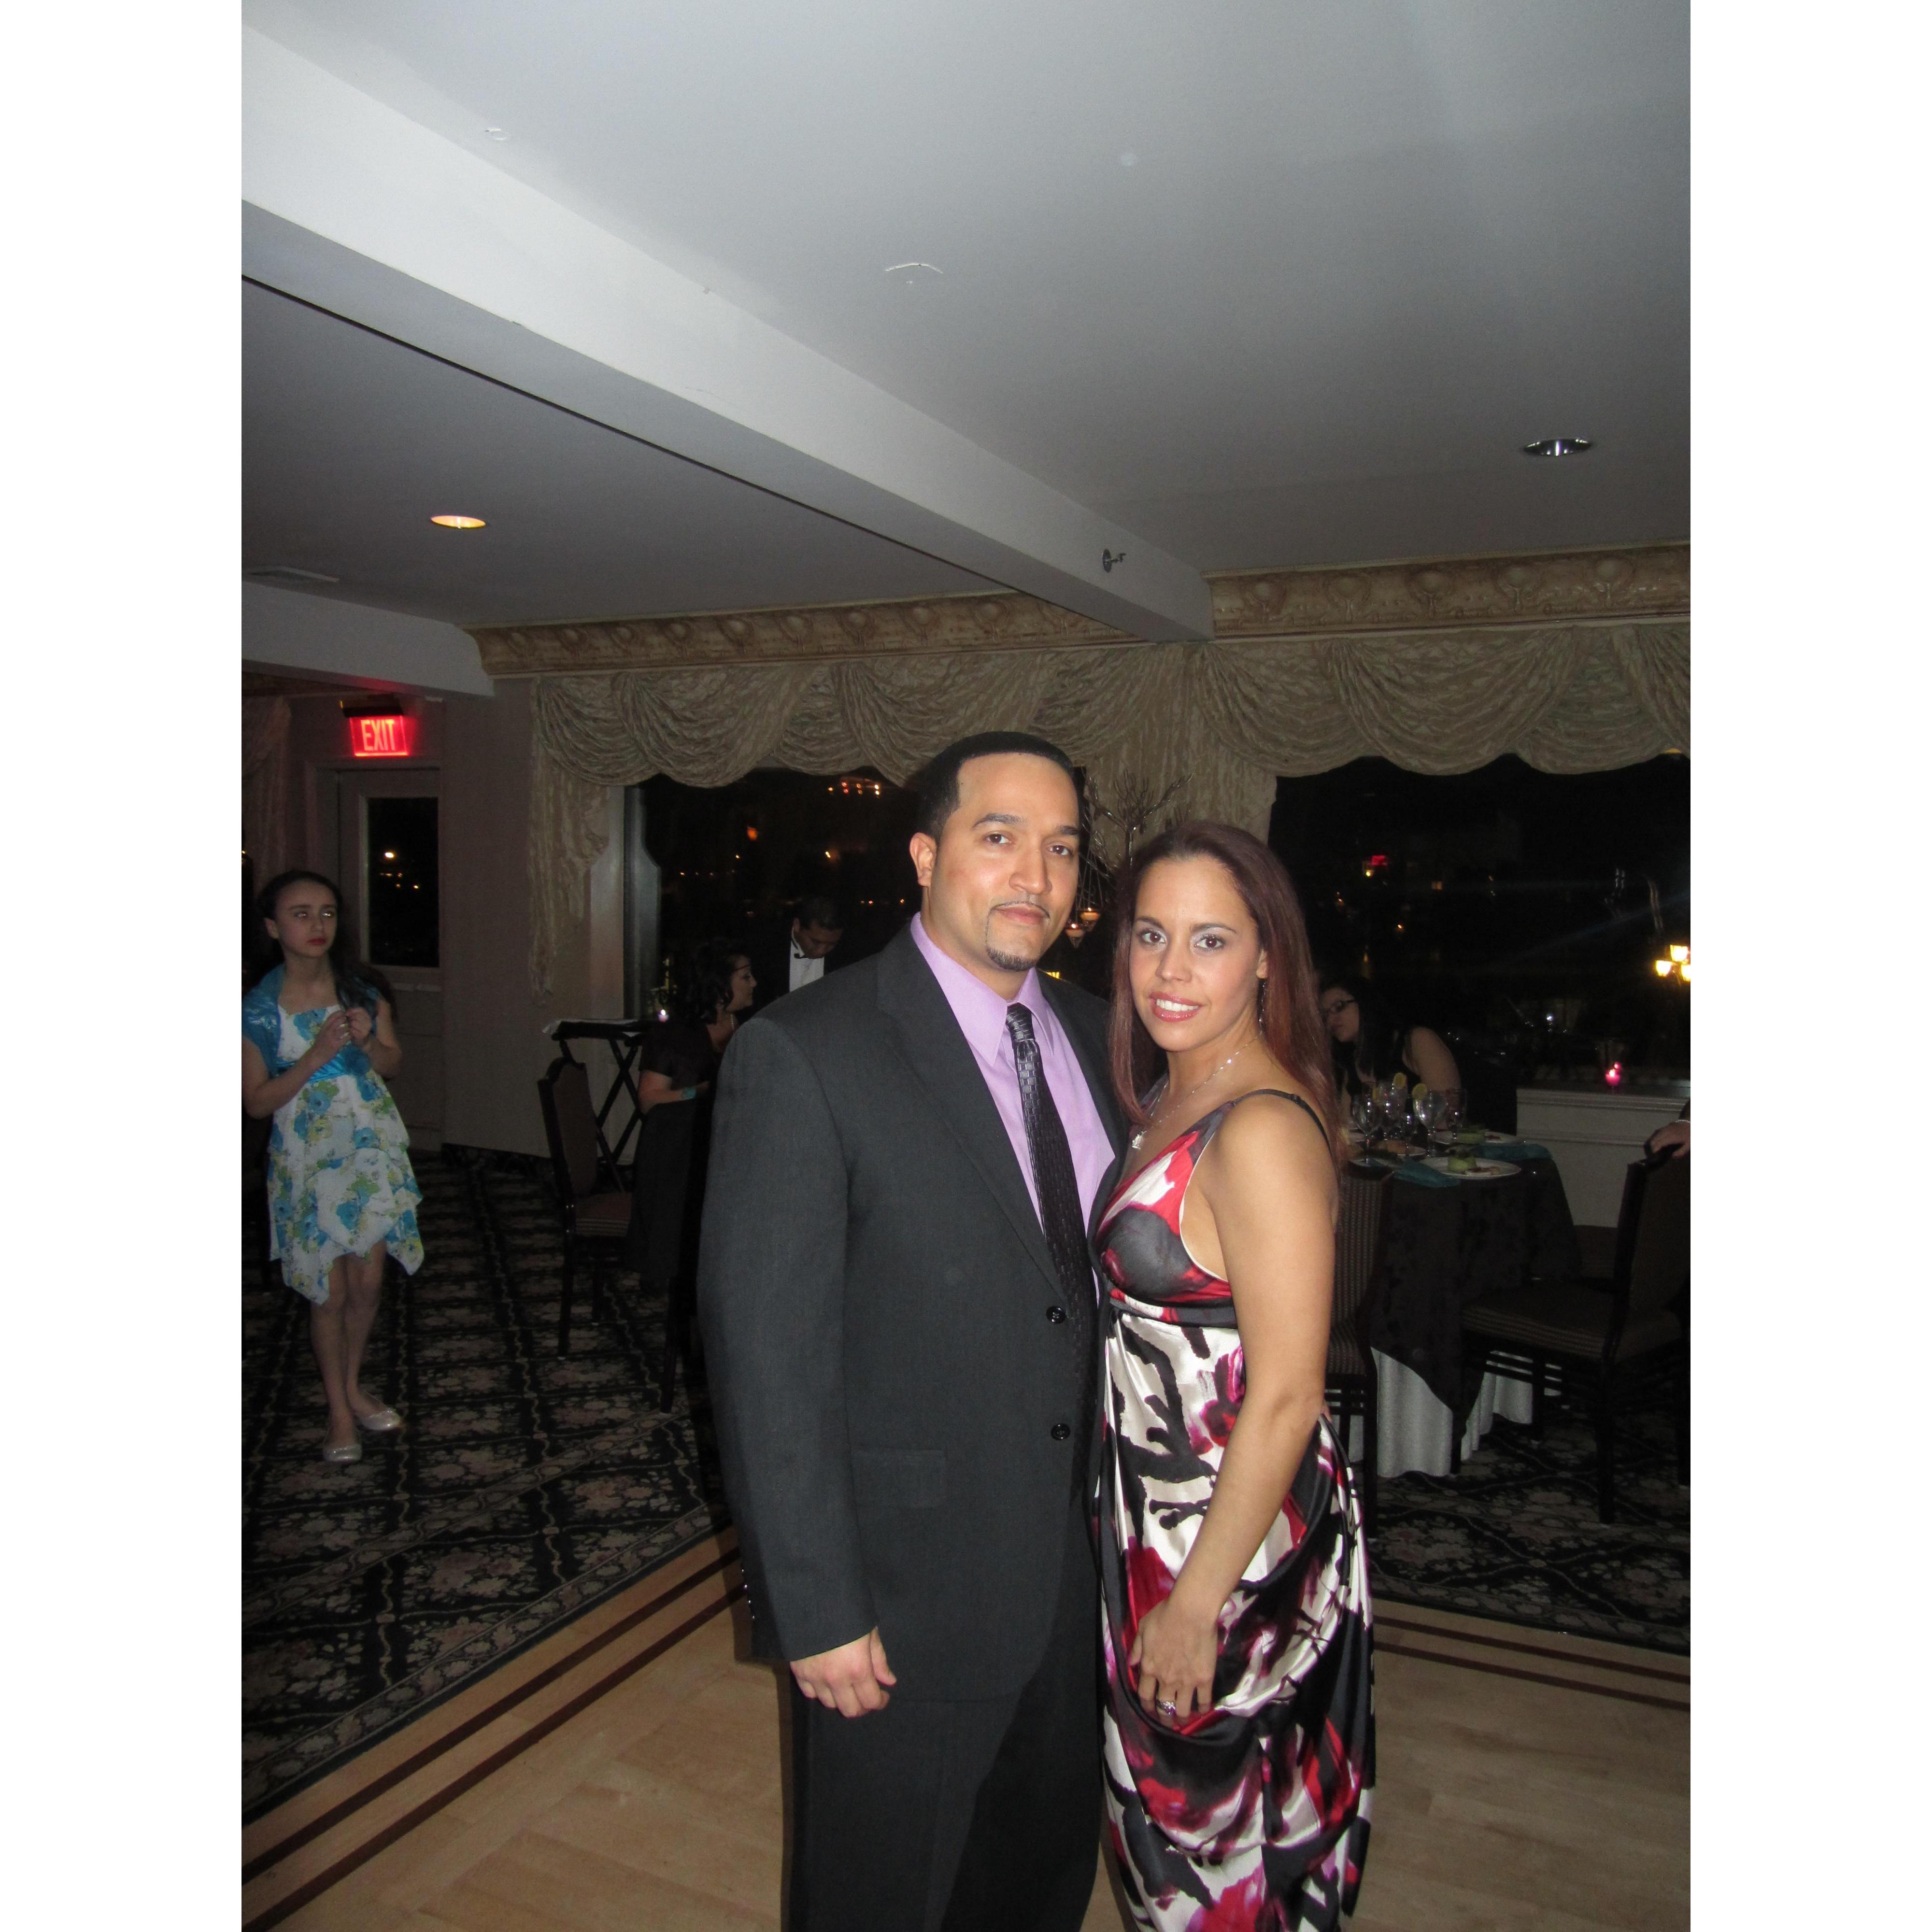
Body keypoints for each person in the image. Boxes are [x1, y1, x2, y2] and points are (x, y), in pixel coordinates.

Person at [698, 732, 1125, 1932]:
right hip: (904, 1592)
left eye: (1061, 848)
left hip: (1086, 1574)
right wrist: (814, 1603)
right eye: (999, 838)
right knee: (876, 1895)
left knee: (1035, 1880)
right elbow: (766, 1360)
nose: (1035, 875)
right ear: (927, 856)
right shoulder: (808, 1050)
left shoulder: (1104, 1036)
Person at [1096, 823, 1373, 1930]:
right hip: (1162, 1517)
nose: (1170, 969)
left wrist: (1194, 1602)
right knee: (1177, 1837)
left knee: (1201, 1851)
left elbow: (1291, 1391)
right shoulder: (1177, 1090)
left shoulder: (1256, 1126)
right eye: (1150, 934)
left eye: (1208, 940)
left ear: (1265, 957)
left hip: (1228, 1542)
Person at [242, 869, 424, 1464]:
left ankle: (350, 1385)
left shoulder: (361, 990)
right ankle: (339, 1410)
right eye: (300, 913)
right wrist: (316, 1056)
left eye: (326, 912)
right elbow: (256, 1101)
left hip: (369, 1148)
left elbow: (393, 1065)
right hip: (308, 1157)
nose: (317, 924)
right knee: (328, 1290)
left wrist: (367, 1044)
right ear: (273, 927)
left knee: (367, 1282)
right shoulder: (258, 1009)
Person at [636, 938, 755, 1111]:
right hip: (685, 1125)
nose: (754, 983)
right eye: (746, 977)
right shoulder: (671, 1033)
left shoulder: (752, 1025)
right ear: (719, 983)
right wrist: (699, 1092)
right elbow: (649, 1101)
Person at [1318, 971, 1460, 1099]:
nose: (1330, 1021)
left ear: (1365, 1001)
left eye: (1339, 1007)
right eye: (1325, 1015)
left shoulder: (1417, 1042)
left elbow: (1447, 1110)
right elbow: (1346, 1119)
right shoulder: (1351, 1063)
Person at [749, 892, 845, 1009]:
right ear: (797, 925)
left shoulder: (848, 954)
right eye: (815, 942)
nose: (821, 951)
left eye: (831, 944)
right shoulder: (765, 947)